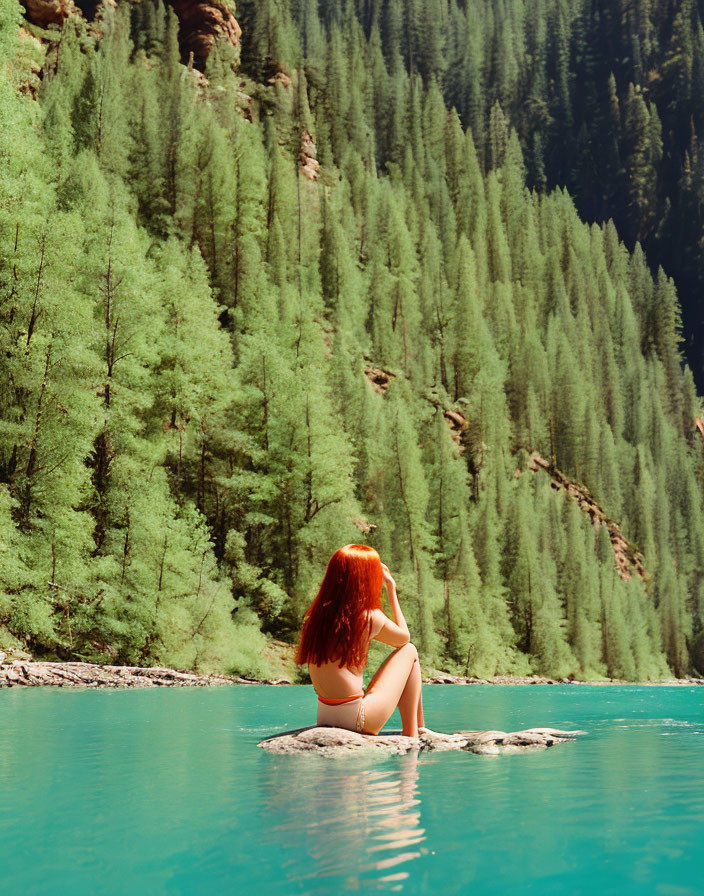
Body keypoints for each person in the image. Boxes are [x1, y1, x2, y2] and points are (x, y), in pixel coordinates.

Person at [294, 544, 426, 737]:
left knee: (405, 655)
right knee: (410, 651)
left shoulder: (315, 617)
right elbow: (403, 639)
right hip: (358, 719)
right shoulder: (367, 616)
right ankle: (414, 733)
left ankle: (419, 728)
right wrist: (391, 590)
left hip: (324, 716)